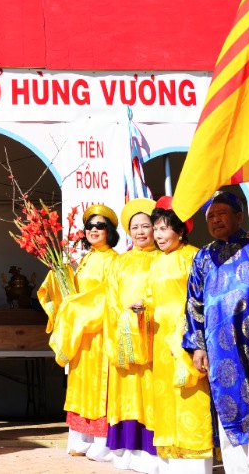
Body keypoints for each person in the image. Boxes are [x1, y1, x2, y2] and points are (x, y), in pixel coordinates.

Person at [182, 191, 249, 474]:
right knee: (229, 407)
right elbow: (194, 302)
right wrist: (197, 346)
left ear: (239, 216)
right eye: (210, 216)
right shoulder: (203, 257)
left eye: (222, 214)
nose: (216, 220)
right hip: (221, 350)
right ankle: (239, 470)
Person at [136, 196, 213, 474]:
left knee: (190, 396)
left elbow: (202, 298)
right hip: (160, 339)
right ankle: (170, 459)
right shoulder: (155, 263)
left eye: (164, 228)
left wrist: (191, 335)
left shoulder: (193, 256)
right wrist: (141, 310)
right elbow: (150, 297)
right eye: (155, 229)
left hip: (185, 339)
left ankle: (196, 461)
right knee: (165, 398)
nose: (158, 235)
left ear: (180, 231)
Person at [40, 204, 120, 461]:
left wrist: (77, 310)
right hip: (81, 334)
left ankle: (102, 442)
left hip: (98, 331)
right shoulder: (85, 259)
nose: (94, 230)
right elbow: (72, 294)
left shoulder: (114, 260)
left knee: (98, 386)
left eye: (100, 226)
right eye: (89, 226)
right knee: (81, 386)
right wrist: (59, 274)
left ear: (110, 231)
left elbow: (107, 297)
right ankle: (81, 439)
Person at [104, 197, 159, 474]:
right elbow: (111, 299)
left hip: (151, 336)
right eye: (134, 226)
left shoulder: (162, 259)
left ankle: (150, 449)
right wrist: (124, 321)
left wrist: (144, 313)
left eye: (145, 225)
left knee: (149, 393)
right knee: (126, 394)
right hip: (125, 336)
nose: (140, 232)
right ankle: (126, 446)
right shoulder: (119, 263)